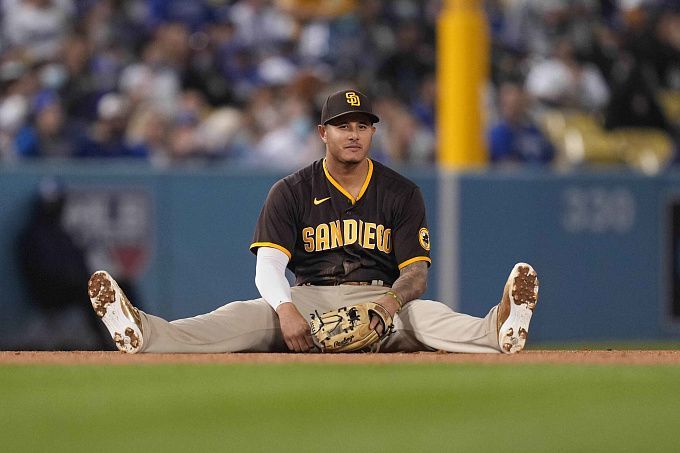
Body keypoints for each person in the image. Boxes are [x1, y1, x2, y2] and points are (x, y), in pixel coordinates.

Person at [87, 89, 539, 354]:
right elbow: (268, 267)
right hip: (307, 299)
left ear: (373, 132)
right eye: (344, 126)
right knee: (240, 316)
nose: (354, 134)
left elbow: (416, 274)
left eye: (362, 126)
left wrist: (389, 305)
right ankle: (144, 332)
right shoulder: (291, 190)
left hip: (380, 301)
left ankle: (498, 328)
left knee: (427, 315)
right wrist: (285, 310)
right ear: (323, 133)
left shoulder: (401, 191)